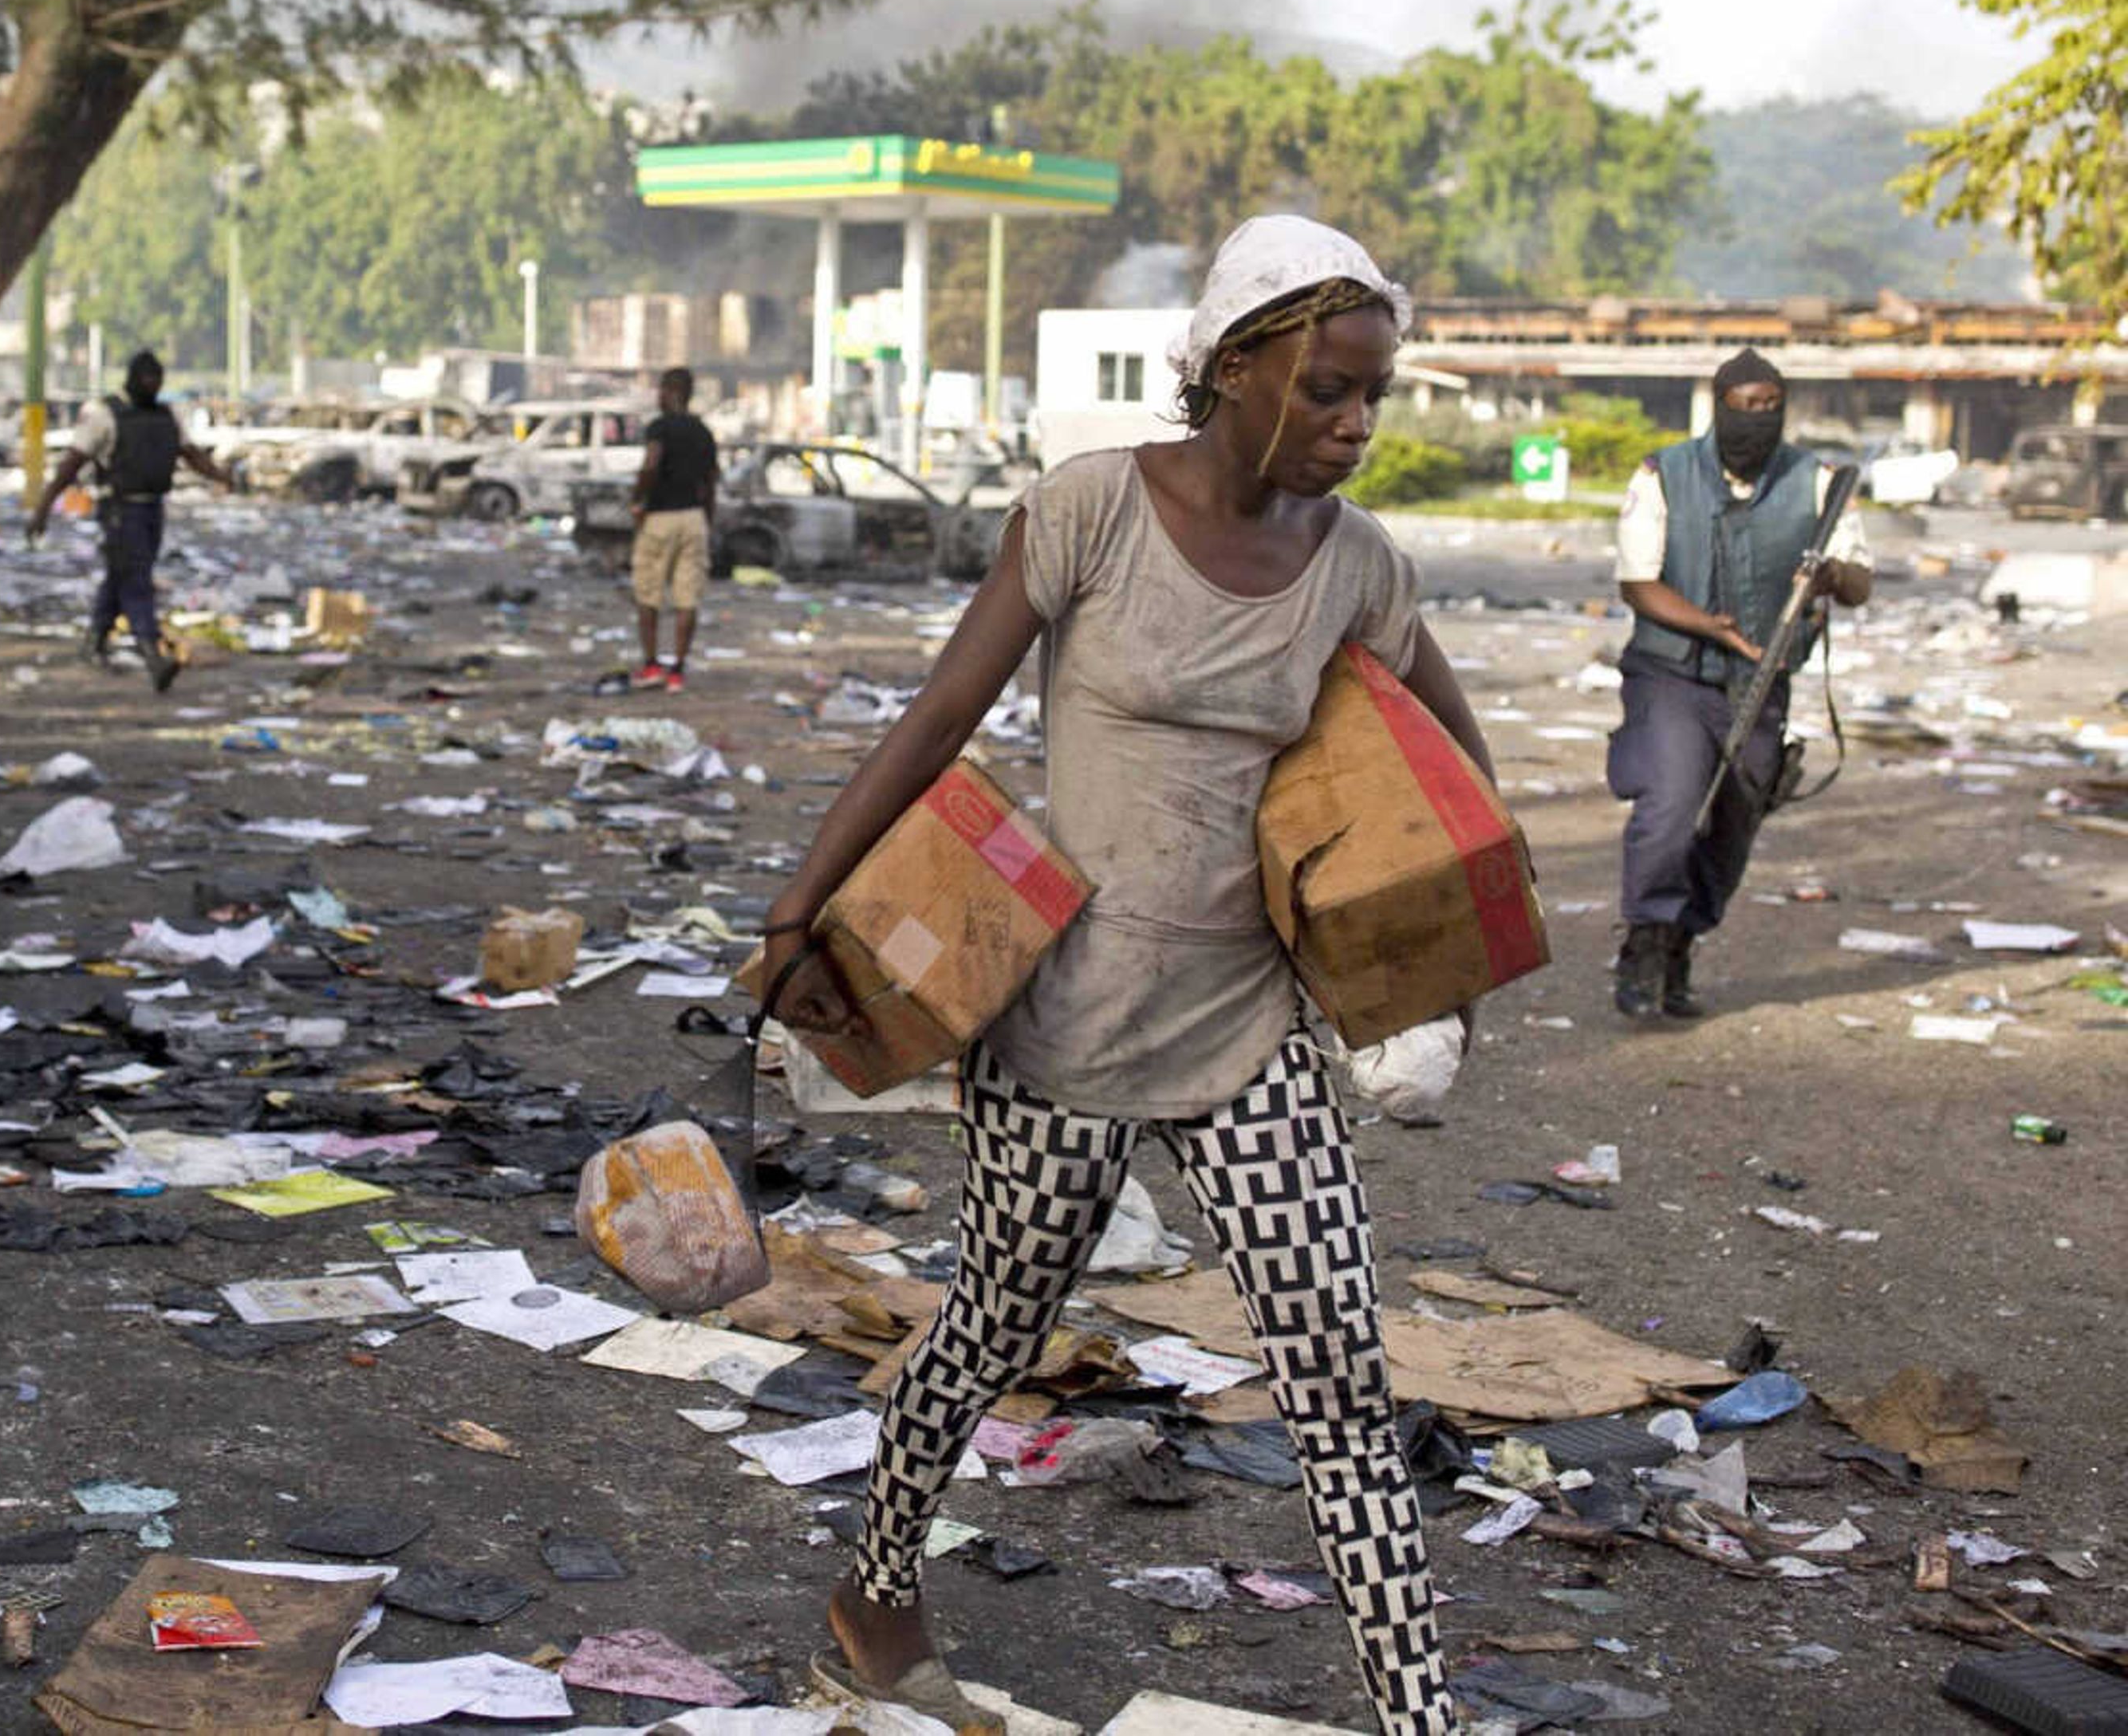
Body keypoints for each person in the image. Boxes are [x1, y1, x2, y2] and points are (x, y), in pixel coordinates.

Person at [766, 218, 1487, 1736]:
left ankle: (1421, 1716)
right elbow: (935, 723)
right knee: (990, 1331)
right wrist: (800, 910)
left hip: (1250, 1032)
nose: (1360, 425)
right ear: (1235, 368)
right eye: (1333, 391)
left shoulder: (1360, 567)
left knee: (1342, 1383)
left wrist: (1434, 958)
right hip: (1060, 1028)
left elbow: (1454, 779)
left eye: (1378, 396)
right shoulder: (1089, 511)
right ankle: (874, 1590)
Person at [1606, 348, 1872, 1020]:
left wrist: (1831, 576)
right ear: (1718, 405)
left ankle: (1681, 942)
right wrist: (1713, 627)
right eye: (1742, 405)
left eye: (1769, 406)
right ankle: (1644, 942)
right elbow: (1638, 583)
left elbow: (1861, 584)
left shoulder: (1820, 481)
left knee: (1733, 826)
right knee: (1670, 806)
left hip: (1761, 684)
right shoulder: (1663, 474)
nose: (1756, 418)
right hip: (1672, 675)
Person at [27, 349, 227, 691]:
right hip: (120, 509)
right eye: (147, 379)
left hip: (153, 508)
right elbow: (72, 464)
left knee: (122, 574)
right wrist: (44, 507)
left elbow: (189, 454)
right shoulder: (106, 415)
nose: (153, 385)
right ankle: (152, 654)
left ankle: (94, 641)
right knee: (137, 579)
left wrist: (221, 476)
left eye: (158, 380)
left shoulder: (166, 415)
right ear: (133, 379)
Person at [627, 365, 717, 691]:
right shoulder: (704, 432)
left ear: (671, 392)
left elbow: (651, 464)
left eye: (661, 390)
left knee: (648, 594)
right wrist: (708, 520)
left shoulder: (660, 428)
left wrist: (638, 499)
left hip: (660, 518)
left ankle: (652, 666)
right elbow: (711, 482)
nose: (658, 396)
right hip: (694, 518)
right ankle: (677, 671)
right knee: (687, 597)